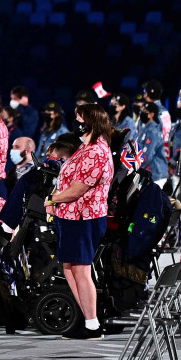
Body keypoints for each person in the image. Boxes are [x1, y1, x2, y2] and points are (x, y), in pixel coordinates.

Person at [44, 103, 114, 340]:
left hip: (84, 216)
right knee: (70, 268)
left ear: (91, 121)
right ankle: (87, 319)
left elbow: (77, 190)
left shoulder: (96, 151)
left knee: (81, 270)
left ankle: (93, 324)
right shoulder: (87, 147)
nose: (75, 121)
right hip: (72, 215)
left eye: (79, 117)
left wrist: (51, 199)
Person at [136, 102, 168, 184]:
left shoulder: (152, 131)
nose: (142, 112)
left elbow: (147, 155)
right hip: (150, 173)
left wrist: (135, 167)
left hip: (156, 174)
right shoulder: (145, 129)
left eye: (145, 111)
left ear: (152, 115)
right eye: (142, 110)